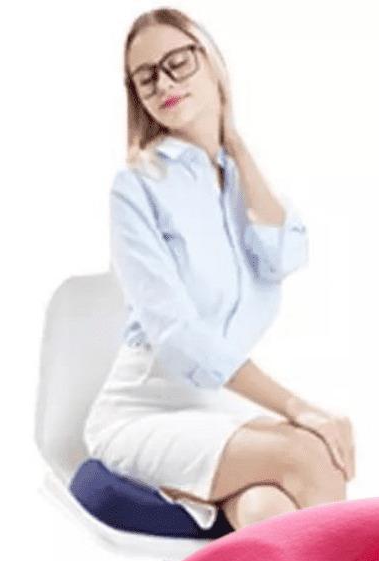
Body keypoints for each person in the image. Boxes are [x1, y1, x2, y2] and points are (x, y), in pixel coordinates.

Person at [83, 8, 355, 532]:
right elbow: (179, 337)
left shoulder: (236, 180)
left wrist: (235, 144)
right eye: (146, 77)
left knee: (267, 510)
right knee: (312, 453)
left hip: (217, 411)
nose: (165, 83)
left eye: (178, 62)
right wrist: (299, 407)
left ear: (210, 59)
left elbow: (283, 256)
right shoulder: (137, 187)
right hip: (142, 413)